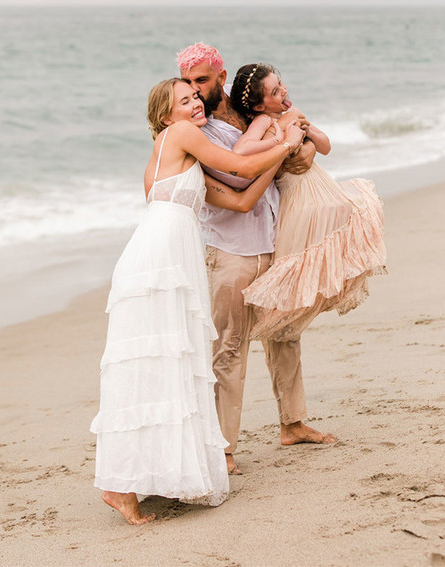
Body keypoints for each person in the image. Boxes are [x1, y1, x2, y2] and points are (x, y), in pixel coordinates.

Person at [90, 78, 304, 524]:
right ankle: (118, 485)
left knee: (164, 365)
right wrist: (286, 143)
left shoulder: (179, 156)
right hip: (158, 261)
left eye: (195, 97)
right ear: (166, 116)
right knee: (154, 363)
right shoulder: (182, 135)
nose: (194, 104)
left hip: (166, 257)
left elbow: (243, 199)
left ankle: (136, 479)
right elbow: (238, 165)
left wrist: (279, 155)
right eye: (183, 101)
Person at [177, 44, 338, 477]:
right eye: (188, 84)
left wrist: (291, 145)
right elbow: (237, 176)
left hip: (274, 236)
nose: (195, 91)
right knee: (228, 347)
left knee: (285, 332)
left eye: (202, 81)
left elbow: (303, 155)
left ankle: (293, 422)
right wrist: (285, 150)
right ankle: (224, 447)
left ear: (221, 76)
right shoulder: (195, 129)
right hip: (230, 249)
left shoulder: (251, 113)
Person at [230, 62, 387, 341]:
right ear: (258, 106)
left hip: (322, 188)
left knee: (341, 237)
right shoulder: (264, 122)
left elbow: (326, 146)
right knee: (298, 264)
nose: (283, 92)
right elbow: (242, 149)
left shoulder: (294, 113)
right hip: (297, 197)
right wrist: (282, 141)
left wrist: (307, 132)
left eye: (281, 85)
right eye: (275, 92)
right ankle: (285, 328)